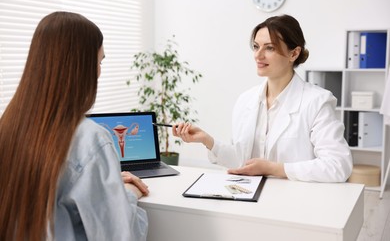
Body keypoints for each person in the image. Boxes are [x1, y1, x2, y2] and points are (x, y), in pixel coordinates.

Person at [0, 12, 149, 240]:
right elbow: (121, 235)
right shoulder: (90, 139)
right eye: (99, 61)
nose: (99, 71)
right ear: (82, 67)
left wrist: (101, 186)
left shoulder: (8, 127)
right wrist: (128, 194)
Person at [173, 14, 353, 183]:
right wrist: (207, 141)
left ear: (293, 54)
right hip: (248, 196)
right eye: (256, 46)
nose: (258, 55)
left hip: (296, 203)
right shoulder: (246, 100)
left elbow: (338, 165)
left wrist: (273, 169)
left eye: (270, 48)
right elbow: (242, 160)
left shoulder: (317, 101)